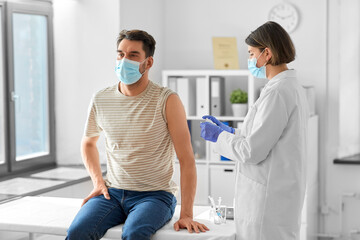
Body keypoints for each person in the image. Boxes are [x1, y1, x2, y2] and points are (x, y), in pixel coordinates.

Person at [66, 29, 208, 240]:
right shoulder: (101, 99)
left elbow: (186, 159)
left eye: (133, 55)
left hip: (155, 196)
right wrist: (98, 182)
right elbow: (88, 143)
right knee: (77, 232)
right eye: (120, 54)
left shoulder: (167, 100)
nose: (124, 60)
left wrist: (186, 213)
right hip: (111, 193)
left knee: (134, 234)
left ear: (148, 63)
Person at [200, 21, 309, 240]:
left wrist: (218, 136)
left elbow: (252, 151)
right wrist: (230, 131)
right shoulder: (288, 87)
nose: (249, 60)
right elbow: (265, 136)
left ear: (266, 53)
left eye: (251, 54)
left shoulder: (277, 92)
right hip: (277, 196)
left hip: (267, 203)